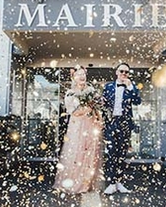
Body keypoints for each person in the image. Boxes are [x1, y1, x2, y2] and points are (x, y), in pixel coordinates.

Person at [53, 66, 103, 194]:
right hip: (77, 126)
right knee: (76, 151)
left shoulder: (91, 90)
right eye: (78, 74)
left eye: (83, 74)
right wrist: (88, 108)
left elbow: (97, 107)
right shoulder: (70, 93)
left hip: (90, 124)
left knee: (90, 151)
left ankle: (87, 182)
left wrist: (96, 113)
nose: (81, 76)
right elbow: (73, 111)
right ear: (73, 78)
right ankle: (75, 181)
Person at [102, 63, 141, 195]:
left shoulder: (131, 87)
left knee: (122, 154)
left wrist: (130, 87)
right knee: (111, 153)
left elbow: (137, 101)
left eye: (126, 72)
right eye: (122, 71)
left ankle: (119, 182)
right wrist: (105, 121)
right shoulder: (108, 86)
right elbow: (104, 105)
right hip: (111, 123)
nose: (124, 74)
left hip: (125, 124)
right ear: (116, 72)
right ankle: (112, 183)